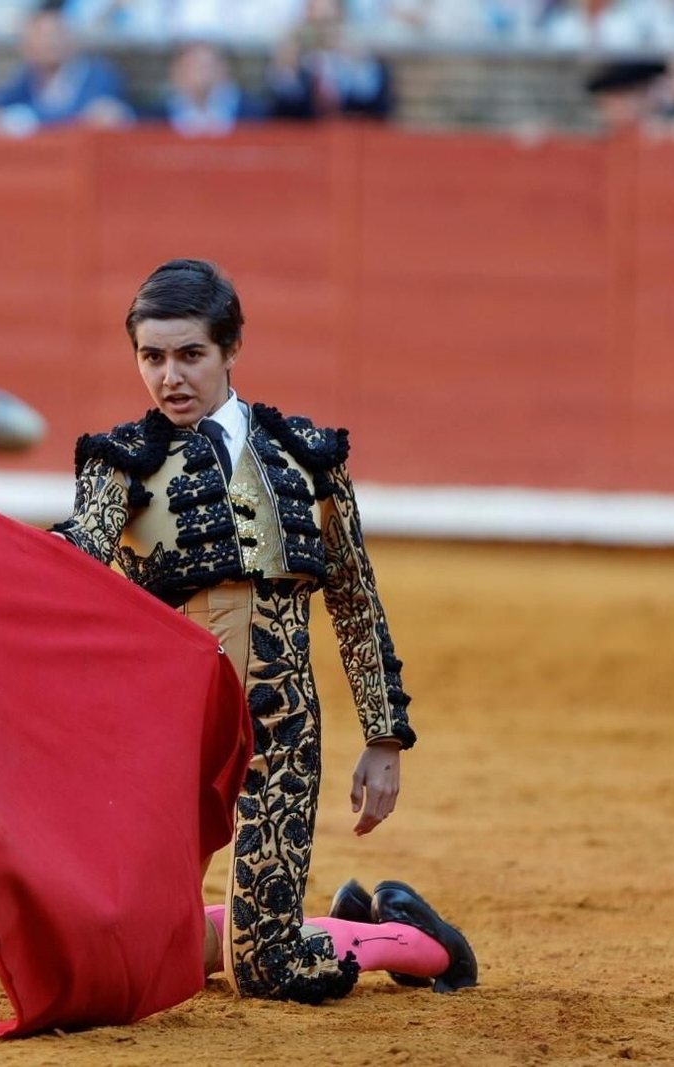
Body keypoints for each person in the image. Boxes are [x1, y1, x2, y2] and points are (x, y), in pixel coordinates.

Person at [52, 259, 477, 1002]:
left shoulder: (306, 453)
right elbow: (72, 561)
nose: (169, 377)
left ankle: (418, 943)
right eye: (151, 357)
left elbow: (353, 595)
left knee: (265, 971)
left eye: (190, 355)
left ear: (231, 348)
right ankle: (308, 920)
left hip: (281, 725)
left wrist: (383, 738)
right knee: (131, 953)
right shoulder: (117, 464)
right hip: (172, 729)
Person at [0, 5, 133, 134]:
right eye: (40, 37)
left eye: (55, 35)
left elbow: (90, 119)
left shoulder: (99, 77)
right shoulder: (28, 76)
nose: (49, 43)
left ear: (71, 40)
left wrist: (21, 121)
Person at [159, 41, 265, 136]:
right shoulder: (155, 117)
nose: (201, 75)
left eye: (207, 66)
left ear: (224, 69)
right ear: (177, 72)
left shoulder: (253, 113)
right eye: (192, 67)